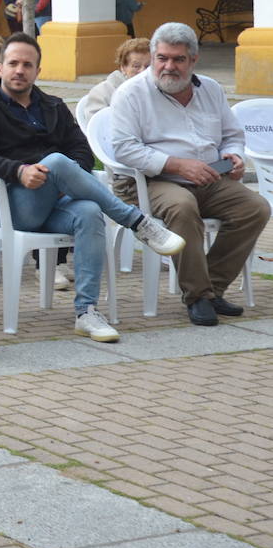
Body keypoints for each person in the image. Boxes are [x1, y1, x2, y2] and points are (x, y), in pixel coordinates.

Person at [0, 33, 184, 341]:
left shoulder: (52, 105)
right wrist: (18, 171)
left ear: (37, 70)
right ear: (0, 67)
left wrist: (67, 181)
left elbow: (81, 150)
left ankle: (86, 312)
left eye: (28, 64)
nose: (19, 70)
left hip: (53, 202)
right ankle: (136, 220)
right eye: (12, 63)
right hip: (12, 205)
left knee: (90, 211)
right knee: (55, 160)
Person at [110, 22, 270, 326]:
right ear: (154, 56)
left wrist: (233, 156)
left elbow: (233, 135)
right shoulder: (130, 93)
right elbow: (123, 149)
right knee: (183, 206)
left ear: (193, 60)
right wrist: (177, 164)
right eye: (162, 58)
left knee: (255, 208)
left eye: (178, 59)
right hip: (149, 180)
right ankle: (197, 296)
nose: (168, 66)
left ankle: (212, 287)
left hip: (209, 177)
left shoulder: (210, 88)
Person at [77, 37, 150, 126]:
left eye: (148, 66)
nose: (143, 71)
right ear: (123, 68)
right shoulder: (102, 93)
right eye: (136, 66)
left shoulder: (161, 91)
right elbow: (98, 127)